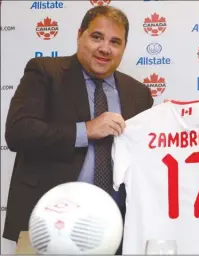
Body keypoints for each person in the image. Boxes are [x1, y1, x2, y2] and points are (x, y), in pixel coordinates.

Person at [3, 5, 153, 253]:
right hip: (50, 226)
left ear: (124, 48)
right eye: (97, 37)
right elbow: (18, 131)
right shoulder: (44, 72)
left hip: (117, 230)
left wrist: (186, 115)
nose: (105, 48)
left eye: (115, 42)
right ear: (79, 35)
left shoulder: (139, 93)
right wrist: (86, 130)